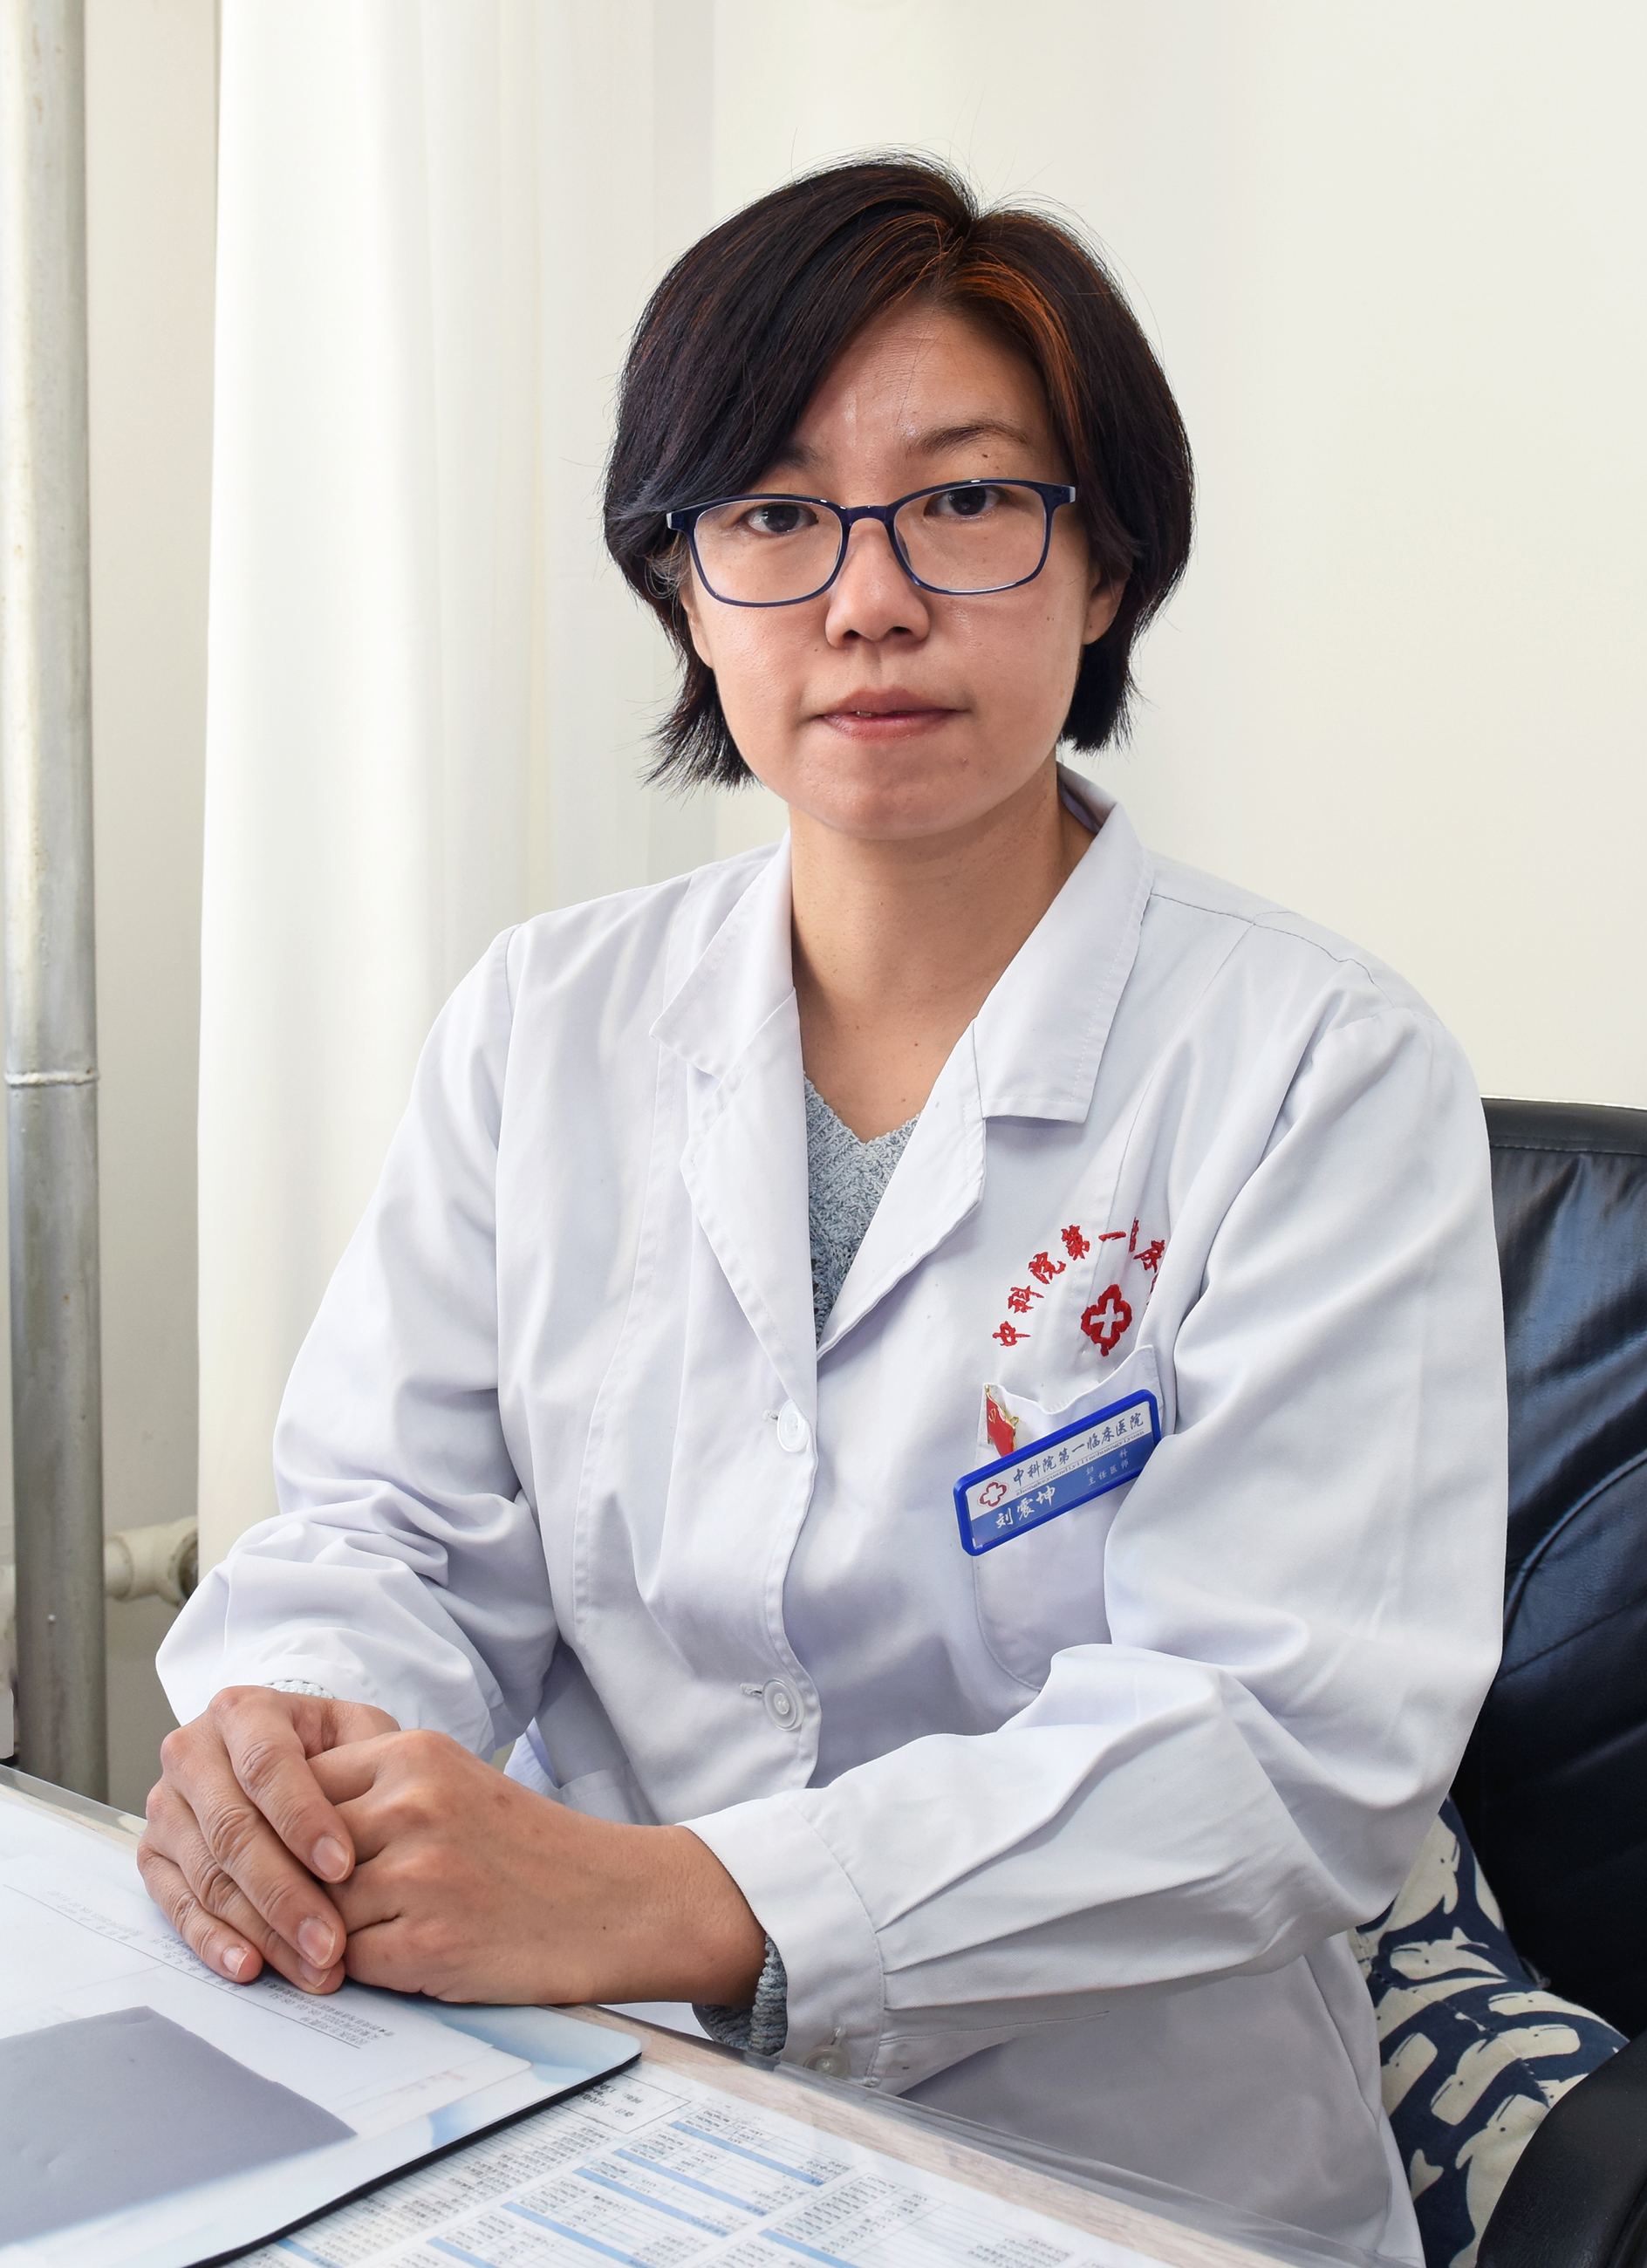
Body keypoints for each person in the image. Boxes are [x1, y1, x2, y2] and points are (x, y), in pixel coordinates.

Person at [146, 159, 1507, 2263]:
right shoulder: (542, 1021)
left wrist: (678, 1896)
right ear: (685, 589)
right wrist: (295, 1757)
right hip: (584, 2111)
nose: (865, 599)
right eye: (773, 515)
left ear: (1103, 567)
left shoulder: (1312, 1065)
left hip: (1125, 2180)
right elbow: (385, 1530)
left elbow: (1280, 1742)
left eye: (962, 501)